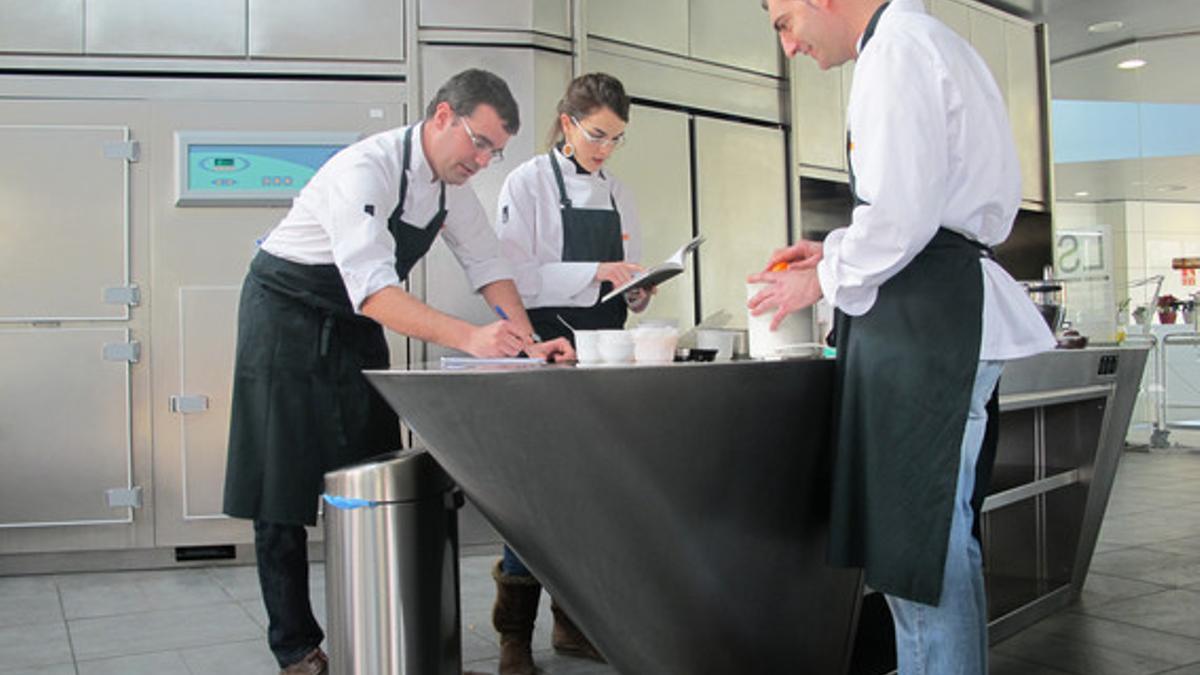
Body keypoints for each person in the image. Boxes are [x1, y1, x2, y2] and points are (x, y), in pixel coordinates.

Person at [222, 68, 573, 675]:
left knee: (378, 472)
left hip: (354, 323)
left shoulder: (449, 192)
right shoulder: (367, 169)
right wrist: (472, 338)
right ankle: (296, 646)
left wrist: (526, 339)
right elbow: (374, 291)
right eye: (480, 142)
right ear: (442, 117)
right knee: (280, 489)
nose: (485, 161)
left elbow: (488, 264)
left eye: (497, 150)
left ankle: (381, 624)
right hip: (283, 315)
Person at [751, 1, 1055, 673]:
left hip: (926, 321)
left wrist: (823, 276)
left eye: (784, 22)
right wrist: (832, 247)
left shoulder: (895, 50)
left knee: (914, 544)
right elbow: (919, 209)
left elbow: (901, 217)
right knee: (938, 539)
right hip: (939, 310)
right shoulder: (927, 41)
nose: (790, 46)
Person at [488, 72, 646, 675]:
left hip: (603, 355)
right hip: (540, 352)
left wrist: (635, 291)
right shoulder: (525, 183)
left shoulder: (617, 193)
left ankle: (573, 625)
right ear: (567, 123)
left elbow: (623, 273)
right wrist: (598, 270)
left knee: (592, 492)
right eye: (598, 135)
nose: (605, 149)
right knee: (532, 496)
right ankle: (513, 640)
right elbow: (515, 279)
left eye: (616, 139)